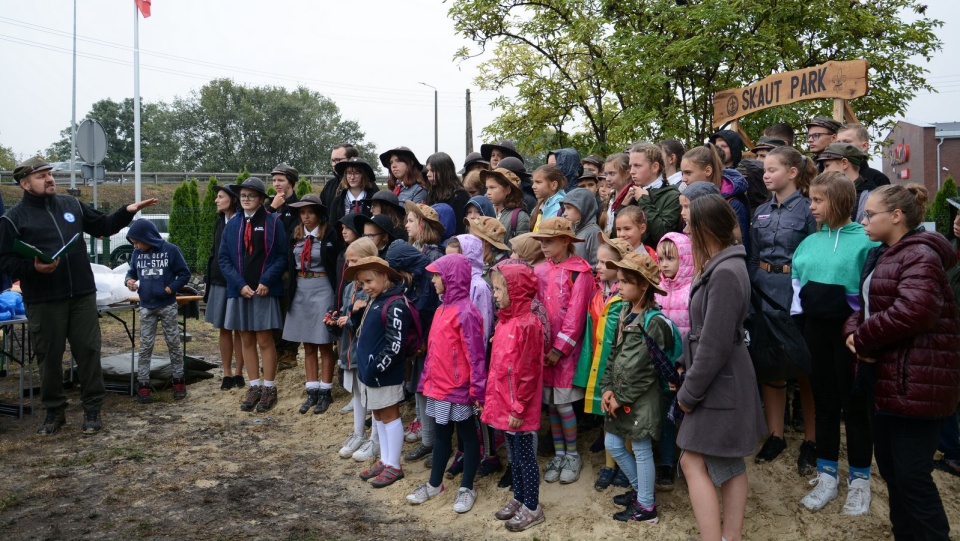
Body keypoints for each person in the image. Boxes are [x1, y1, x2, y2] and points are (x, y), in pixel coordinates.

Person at [0, 157, 158, 435]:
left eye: (49, 174)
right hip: (44, 300)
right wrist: (33, 267)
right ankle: (54, 411)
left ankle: (93, 409)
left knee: (88, 352)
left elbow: (103, 226)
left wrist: (127, 212)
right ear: (24, 184)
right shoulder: (13, 218)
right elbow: (5, 261)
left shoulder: (71, 205)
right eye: (41, 176)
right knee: (49, 357)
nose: (49, 179)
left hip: (82, 295)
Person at [843, 184, 960, 540]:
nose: (862, 220)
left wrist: (862, 338)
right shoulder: (882, 253)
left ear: (896, 216)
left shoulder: (919, 255)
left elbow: (916, 310)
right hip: (885, 381)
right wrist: (852, 332)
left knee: (912, 480)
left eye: (869, 214)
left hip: (917, 384)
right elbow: (863, 305)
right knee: (894, 475)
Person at [676, 194, 765, 541]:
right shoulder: (724, 264)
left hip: (719, 382)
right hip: (722, 378)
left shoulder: (725, 271)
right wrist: (686, 362)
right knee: (727, 462)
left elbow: (713, 344)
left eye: (688, 220)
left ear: (704, 228)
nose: (684, 225)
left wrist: (688, 393)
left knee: (692, 461)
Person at [791, 172, 879, 515]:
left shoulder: (866, 242)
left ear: (840, 201)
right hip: (815, 332)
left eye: (818, 200)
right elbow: (798, 289)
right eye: (811, 199)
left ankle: (860, 481)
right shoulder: (808, 242)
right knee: (825, 402)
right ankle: (827, 475)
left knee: (855, 406)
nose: (811, 206)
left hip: (851, 336)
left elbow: (873, 294)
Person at [748, 146, 819, 475]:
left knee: (804, 367)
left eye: (773, 168)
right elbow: (752, 255)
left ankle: (812, 439)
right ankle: (775, 435)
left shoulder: (808, 210)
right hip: (764, 290)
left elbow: (815, 255)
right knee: (770, 364)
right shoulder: (759, 211)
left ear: (792, 172)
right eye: (764, 168)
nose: (766, 173)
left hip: (796, 295)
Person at [406, 254, 487, 514]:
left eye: (437, 275)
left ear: (451, 279)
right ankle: (434, 484)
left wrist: (477, 390)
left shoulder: (466, 312)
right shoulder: (441, 309)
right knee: (442, 435)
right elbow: (434, 350)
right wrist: (427, 379)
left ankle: (467, 487)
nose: (432, 279)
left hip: (460, 389)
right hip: (439, 388)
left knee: (467, 436)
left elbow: (475, 356)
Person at [601, 251, 675, 524]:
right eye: (618, 281)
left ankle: (646, 507)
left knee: (642, 449)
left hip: (642, 400)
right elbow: (613, 354)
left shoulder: (653, 322)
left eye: (625, 282)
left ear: (644, 286)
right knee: (614, 443)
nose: (618, 286)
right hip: (619, 395)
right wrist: (607, 389)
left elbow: (646, 372)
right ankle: (641, 489)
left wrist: (620, 397)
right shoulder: (624, 312)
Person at [532, 217, 596, 485]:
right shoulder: (539, 270)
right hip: (542, 349)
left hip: (565, 353)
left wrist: (559, 348)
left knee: (565, 404)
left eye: (549, 241)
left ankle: (572, 454)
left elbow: (577, 315)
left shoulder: (579, 272)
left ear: (565, 241)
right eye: (541, 241)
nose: (544, 246)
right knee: (552, 405)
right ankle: (559, 453)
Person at [484, 260, 546, 532]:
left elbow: (529, 371)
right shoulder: (505, 322)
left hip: (519, 407)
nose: (494, 294)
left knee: (525, 457)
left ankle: (533, 506)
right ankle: (519, 497)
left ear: (517, 291)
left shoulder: (528, 325)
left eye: (499, 289)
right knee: (513, 456)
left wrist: (519, 408)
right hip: (504, 403)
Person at [219, 178, 289, 413]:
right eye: (243, 195)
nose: (246, 198)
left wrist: (266, 281)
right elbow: (224, 259)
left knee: (264, 339)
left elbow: (281, 256)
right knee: (246, 338)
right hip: (239, 291)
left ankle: (269, 387)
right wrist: (238, 285)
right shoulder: (232, 224)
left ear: (261, 199)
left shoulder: (273, 221)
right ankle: (254, 385)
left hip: (263, 290)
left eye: (251, 195)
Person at [349, 256, 419, 489]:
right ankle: (385, 460)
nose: (365, 287)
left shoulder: (396, 303)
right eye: (361, 283)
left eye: (369, 281)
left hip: (384, 373)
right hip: (371, 373)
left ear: (384, 276)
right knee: (378, 416)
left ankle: (394, 466)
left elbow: (395, 344)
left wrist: (377, 367)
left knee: (390, 416)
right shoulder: (375, 299)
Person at [576, 235, 632, 490]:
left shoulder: (627, 300)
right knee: (608, 417)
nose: (597, 266)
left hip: (623, 366)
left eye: (603, 263)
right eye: (598, 261)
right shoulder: (600, 294)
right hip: (604, 364)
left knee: (625, 418)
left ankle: (625, 463)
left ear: (619, 266)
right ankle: (609, 465)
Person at [124, 219, 191, 403]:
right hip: (146, 306)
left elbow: (184, 273)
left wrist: (170, 289)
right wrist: (129, 281)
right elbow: (131, 273)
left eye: (137, 241)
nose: (135, 245)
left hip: (167, 305)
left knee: (174, 344)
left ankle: (178, 381)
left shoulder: (170, 250)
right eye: (133, 243)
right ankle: (143, 385)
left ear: (147, 237)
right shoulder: (137, 253)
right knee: (145, 346)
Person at [284, 195, 337, 414]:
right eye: (302, 212)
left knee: (323, 341)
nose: (306, 217)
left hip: (322, 287)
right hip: (300, 289)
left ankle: (326, 391)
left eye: (310, 212)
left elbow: (335, 264)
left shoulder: (329, 234)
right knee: (307, 344)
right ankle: (311, 390)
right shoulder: (295, 235)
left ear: (318, 214)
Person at [336, 239, 382, 461]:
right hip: (349, 348)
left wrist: (353, 315)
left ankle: (375, 438)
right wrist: (339, 318)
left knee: (370, 394)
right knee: (356, 391)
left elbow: (368, 320)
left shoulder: (372, 288)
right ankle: (358, 433)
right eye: (349, 261)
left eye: (355, 261)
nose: (351, 265)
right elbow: (345, 311)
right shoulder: (349, 287)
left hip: (365, 349)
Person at [653, 232, 693, 490]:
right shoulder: (656, 289)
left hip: (688, 362)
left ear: (685, 259)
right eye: (661, 259)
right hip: (662, 362)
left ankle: (692, 462)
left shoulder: (693, 289)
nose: (665, 264)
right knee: (666, 413)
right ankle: (666, 462)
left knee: (689, 415)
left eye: (671, 258)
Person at [204, 183, 245, 390]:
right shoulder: (220, 221)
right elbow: (214, 251)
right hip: (219, 281)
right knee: (223, 328)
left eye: (220, 196)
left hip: (238, 282)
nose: (216, 200)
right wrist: (209, 281)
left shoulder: (242, 220)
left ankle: (240, 373)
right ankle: (227, 373)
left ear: (232, 199)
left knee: (239, 328)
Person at [682, 145, 751, 253]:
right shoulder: (689, 199)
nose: (683, 179)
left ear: (708, 171)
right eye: (682, 173)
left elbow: (742, 248)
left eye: (688, 173)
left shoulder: (732, 203)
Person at [268, 162, 303, 371]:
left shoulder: (298, 207)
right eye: (274, 180)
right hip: (269, 267)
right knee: (273, 310)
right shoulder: (270, 205)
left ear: (291, 182)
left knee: (288, 308)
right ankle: (278, 350)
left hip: (289, 267)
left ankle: (289, 352)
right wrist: (271, 208)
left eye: (281, 180)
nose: (277, 184)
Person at [325, 157, 380, 292]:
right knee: (344, 290)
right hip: (344, 254)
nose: (352, 177)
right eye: (349, 173)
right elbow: (333, 228)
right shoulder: (338, 201)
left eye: (356, 173)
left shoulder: (373, 198)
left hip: (368, 254)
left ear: (363, 175)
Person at [625, 143, 681, 247]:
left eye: (637, 165)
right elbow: (618, 236)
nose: (632, 171)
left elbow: (663, 235)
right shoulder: (631, 193)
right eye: (631, 166)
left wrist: (644, 201)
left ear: (655, 167)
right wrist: (622, 206)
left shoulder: (672, 195)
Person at [817, 142, 875, 222]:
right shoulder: (827, 194)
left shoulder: (871, 197)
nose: (823, 172)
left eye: (827, 166)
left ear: (844, 163)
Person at [425, 152, 471, 235]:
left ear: (443, 170)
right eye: (427, 170)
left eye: (432, 170)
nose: (428, 174)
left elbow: (461, 227)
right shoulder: (432, 193)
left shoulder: (459, 195)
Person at [483, 167, 530, 243]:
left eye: (492, 187)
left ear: (507, 190)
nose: (488, 192)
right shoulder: (487, 211)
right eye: (487, 188)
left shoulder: (520, 216)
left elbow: (522, 249)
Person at [560, 188, 602, 267]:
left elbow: (596, 267)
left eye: (568, 208)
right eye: (564, 208)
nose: (564, 213)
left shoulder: (593, 232)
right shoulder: (571, 230)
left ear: (582, 207)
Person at [321, 143, 360, 212]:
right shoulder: (330, 185)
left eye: (338, 160)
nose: (334, 164)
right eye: (333, 160)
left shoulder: (365, 184)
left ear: (351, 159)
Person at [530, 165, 567, 232]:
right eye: (533, 182)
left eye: (538, 182)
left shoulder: (561, 206)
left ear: (553, 185)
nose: (533, 186)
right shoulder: (540, 206)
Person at [604, 153, 632, 235]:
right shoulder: (609, 198)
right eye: (606, 174)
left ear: (627, 174)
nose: (607, 179)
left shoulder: (633, 197)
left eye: (612, 174)